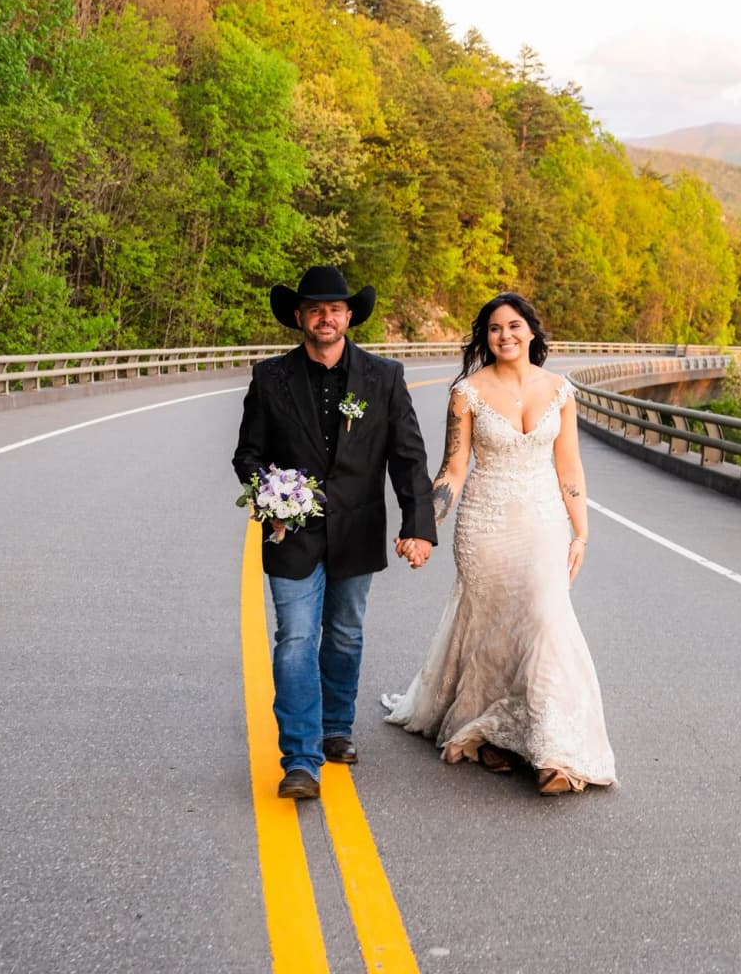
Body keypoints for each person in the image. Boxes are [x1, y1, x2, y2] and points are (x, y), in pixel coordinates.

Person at [383, 292, 617, 796]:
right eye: (494, 328)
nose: (505, 335)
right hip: (485, 525)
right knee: (492, 628)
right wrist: (423, 525)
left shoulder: (560, 390)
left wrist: (582, 531)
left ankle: (555, 752)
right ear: (485, 338)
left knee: (546, 618)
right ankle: (491, 729)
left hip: (545, 523)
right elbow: (452, 470)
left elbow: (569, 466)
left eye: (514, 326)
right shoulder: (467, 392)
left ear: (532, 331)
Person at [232, 265, 437, 801]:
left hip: (358, 528)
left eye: (335, 309)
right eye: (315, 309)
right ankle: (299, 757)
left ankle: (336, 726)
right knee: (295, 639)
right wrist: (269, 497)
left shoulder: (383, 377)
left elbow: (407, 457)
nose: (326, 317)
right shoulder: (269, 377)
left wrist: (419, 526)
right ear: (299, 317)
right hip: (290, 534)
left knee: (344, 634)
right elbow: (248, 454)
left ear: (349, 317)